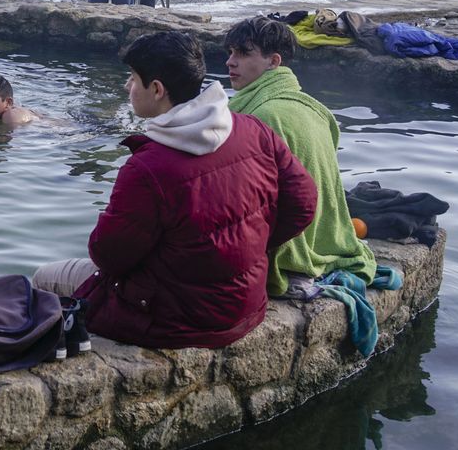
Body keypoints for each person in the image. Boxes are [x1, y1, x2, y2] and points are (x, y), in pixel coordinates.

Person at [33, 31, 317, 349]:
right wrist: (250, 244)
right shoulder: (254, 129)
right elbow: (304, 202)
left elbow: (108, 255)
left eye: (132, 78)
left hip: (175, 320)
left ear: (156, 89)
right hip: (247, 306)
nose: (128, 87)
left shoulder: (147, 167)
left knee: (45, 277)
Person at [225, 17, 377, 297]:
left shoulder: (259, 117)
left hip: (291, 247)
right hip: (325, 238)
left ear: (274, 62)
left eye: (243, 54)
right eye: (231, 53)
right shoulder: (316, 109)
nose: (230, 62)